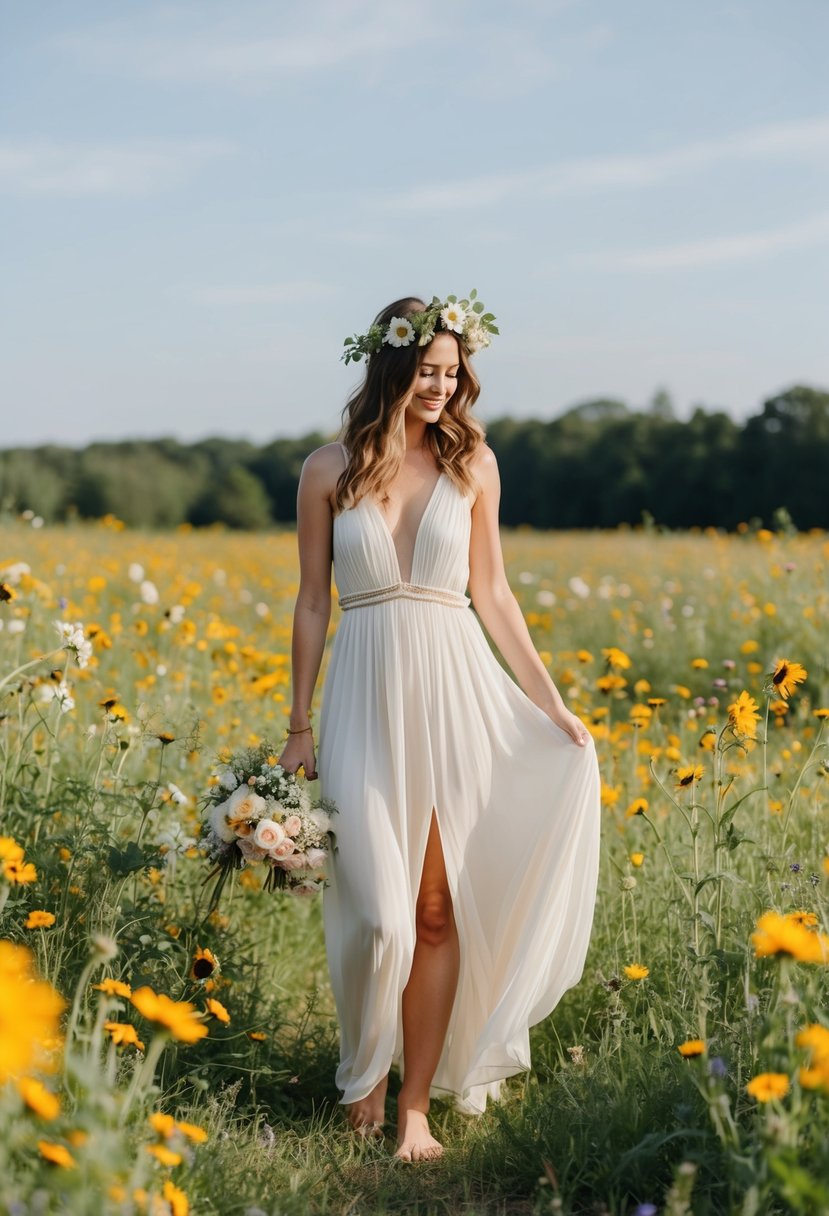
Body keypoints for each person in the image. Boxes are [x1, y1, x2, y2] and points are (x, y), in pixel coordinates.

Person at [279, 293, 601, 1162]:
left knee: (429, 910)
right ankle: (363, 1080)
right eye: (427, 371)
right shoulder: (326, 468)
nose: (441, 387)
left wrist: (551, 703)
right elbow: (313, 600)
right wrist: (297, 724)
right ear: (390, 366)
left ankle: (412, 1109)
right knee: (375, 913)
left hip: (456, 687)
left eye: (453, 373)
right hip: (364, 692)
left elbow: (492, 594)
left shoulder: (474, 464)